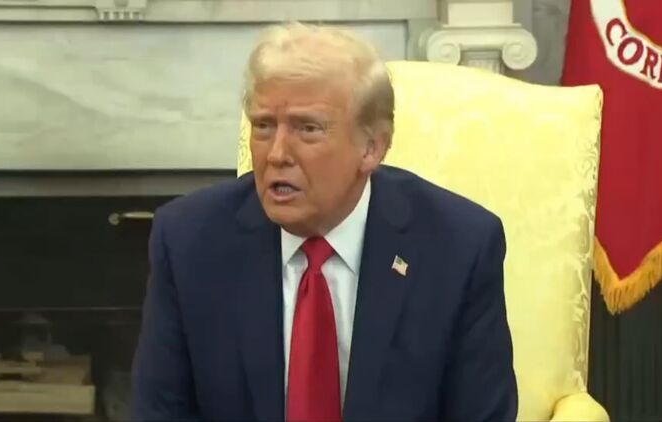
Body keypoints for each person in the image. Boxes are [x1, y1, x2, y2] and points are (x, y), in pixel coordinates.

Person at [132, 22, 517, 422]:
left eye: (308, 129)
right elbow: (160, 413)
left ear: (372, 148)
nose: (277, 154)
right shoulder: (190, 240)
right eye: (264, 126)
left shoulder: (458, 247)